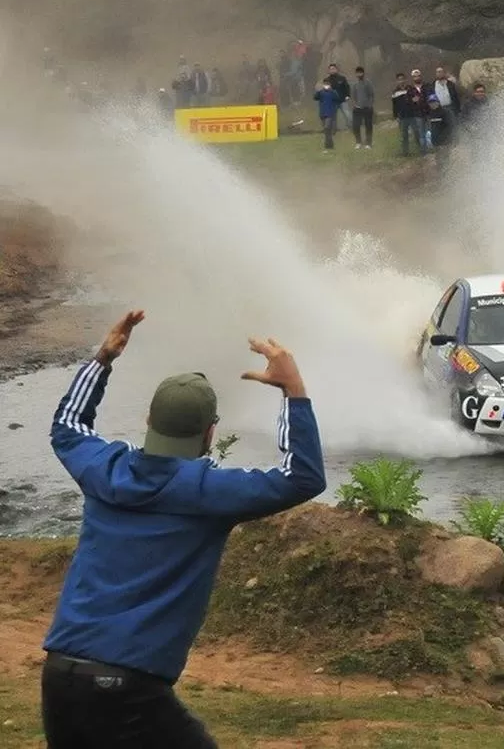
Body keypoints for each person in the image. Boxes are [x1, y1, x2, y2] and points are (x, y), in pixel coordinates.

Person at [40, 311, 325, 749]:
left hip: (60, 677)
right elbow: (301, 476)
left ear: (148, 422)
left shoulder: (103, 469)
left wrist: (103, 358)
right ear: (211, 433)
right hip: (129, 687)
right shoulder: (206, 493)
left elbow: (67, 426)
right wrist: (294, 390)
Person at [391, 71, 426, 156]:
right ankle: (405, 152)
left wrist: (415, 101)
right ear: (397, 81)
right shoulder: (395, 92)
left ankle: (421, 150)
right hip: (402, 117)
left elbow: (416, 99)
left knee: (416, 133)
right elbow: (394, 105)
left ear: (406, 80)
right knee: (404, 136)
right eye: (399, 80)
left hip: (413, 115)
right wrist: (396, 116)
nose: (401, 81)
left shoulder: (410, 89)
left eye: (403, 79)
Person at [431, 66, 461, 141]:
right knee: (441, 126)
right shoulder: (433, 85)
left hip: (450, 107)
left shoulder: (450, 84)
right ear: (436, 74)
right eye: (438, 72)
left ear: (444, 73)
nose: (439, 73)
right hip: (439, 109)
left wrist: (457, 109)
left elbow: (456, 96)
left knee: (453, 125)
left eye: (441, 71)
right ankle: (442, 142)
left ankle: (455, 142)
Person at [350, 65, 375, 150]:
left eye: (360, 72)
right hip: (357, 109)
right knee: (356, 126)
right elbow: (353, 96)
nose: (359, 74)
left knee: (368, 126)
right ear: (356, 74)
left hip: (367, 108)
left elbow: (371, 95)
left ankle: (368, 143)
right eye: (357, 73)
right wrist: (354, 104)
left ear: (363, 73)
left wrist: (370, 105)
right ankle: (358, 142)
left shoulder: (368, 83)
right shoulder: (355, 84)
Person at [314, 78, 341, 151]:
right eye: (325, 84)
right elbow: (315, 97)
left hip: (330, 113)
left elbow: (338, 99)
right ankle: (330, 145)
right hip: (322, 114)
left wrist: (335, 109)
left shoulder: (333, 92)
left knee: (326, 128)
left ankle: (327, 144)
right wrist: (317, 90)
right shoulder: (321, 92)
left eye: (327, 84)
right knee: (327, 131)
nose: (326, 85)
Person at [326, 64, 352, 130]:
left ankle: (351, 127)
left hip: (342, 100)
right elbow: (325, 91)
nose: (332, 70)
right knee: (333, 117)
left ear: (336, 69)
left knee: (347, 115)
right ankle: (334, 129)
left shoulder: (342, 78)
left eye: (333, 69)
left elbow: (347, 87)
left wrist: (348, 95)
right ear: (328, 71)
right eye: (330, 69)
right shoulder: (327, 80)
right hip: (333, 102)